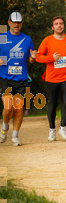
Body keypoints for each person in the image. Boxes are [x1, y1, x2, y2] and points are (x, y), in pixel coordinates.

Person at [36, 16, 66, 141]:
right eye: (56, 24)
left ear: (64, 25)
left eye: (61, 23)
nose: (59, 26)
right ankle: (52, 130)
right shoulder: (47, 40)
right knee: (52, 104)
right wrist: (51, 58)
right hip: (51, 78)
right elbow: (38, 57)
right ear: (52, 27)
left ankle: (63, 127)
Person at [0, 12, 37, 146]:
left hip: (21, 78)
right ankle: (4, 127)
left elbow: (30, 59)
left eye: (19, 22)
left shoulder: (27, 39)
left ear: (21, 24)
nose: (16, 24)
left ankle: (15, 136)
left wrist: (33, 57)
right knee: (8, 107)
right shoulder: (2, 37)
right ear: (9, 23)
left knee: (19, 109)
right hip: (5, 77)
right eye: (14, 22)